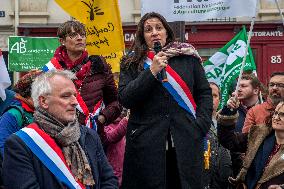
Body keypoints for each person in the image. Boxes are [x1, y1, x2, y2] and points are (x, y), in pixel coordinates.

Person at [118, 12, 212, 189]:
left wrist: (201, 124)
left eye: (158, 28)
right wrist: (151, 72)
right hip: (147, 143)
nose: (154, 32)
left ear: (167, 33)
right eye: (148, 29)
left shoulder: (187, 58)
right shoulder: (131, 62)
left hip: (185, 138)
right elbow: (125, 98)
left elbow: (204, 93)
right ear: (142, 36)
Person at [2, 70, 118, 189]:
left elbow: (108, 180)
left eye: (75, 95)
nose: (75, 102)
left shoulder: (89, 135)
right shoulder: (20, 144)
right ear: (43, 101)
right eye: (66, 96)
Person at [43, 20, 121, 130]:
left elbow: (116, 101)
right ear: (62, 41)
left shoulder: (100, 67)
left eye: (83, 35)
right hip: (60, 135)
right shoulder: (51, 70)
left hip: (93, 135)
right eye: (73, 35)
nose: (80, 38)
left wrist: (102, 118)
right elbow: (42, 105)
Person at [217, 100, 284, 189]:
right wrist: (230, 110)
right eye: (275, 113)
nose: (276, 117)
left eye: (282, 115)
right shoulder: (259, 134)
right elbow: (229, 140)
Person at [226, 73, 262, 178]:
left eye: (243, 86)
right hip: (236, 170)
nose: (239, 89)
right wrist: (228, 111)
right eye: (238, 86)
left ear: (256, 90)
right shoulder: (232, 110)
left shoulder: (267, 111)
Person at [0, 70, 42, 155]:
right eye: (39, 91)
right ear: (28, 93)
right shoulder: (13, 114)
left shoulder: (40, 112)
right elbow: (3, 146)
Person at [203, 82, 232, 189]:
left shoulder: (226, 122)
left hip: (223, 181)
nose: (211, 99)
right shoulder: (192, 121)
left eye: (215, 96)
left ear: (219, 100)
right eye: (207, 95)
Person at [102, 108, 129, 187]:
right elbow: (112, 137)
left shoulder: (124, 122)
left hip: (125, 171)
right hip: (114, 172)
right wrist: (126, 120)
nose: (123, 111)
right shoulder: (106, 125)